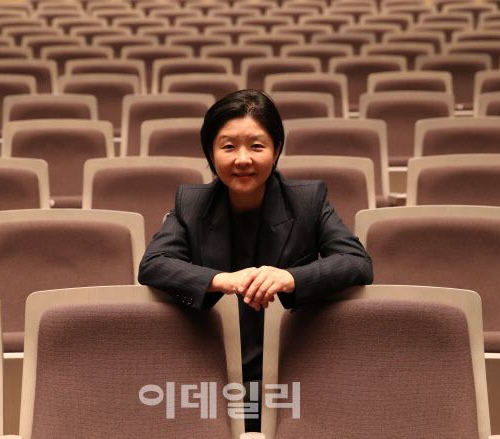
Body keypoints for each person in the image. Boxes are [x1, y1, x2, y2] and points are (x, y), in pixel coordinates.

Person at [138, 89, 373, 431]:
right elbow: (154, 264)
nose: (243, 159)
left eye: (257, 146)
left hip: (293, 364)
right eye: (228, 147)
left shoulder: (308, 200)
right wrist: (221, 280)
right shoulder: (190, 203)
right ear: (210, 152)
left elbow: (356, 261)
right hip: (214, 367)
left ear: (276, 150)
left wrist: (291, 278)